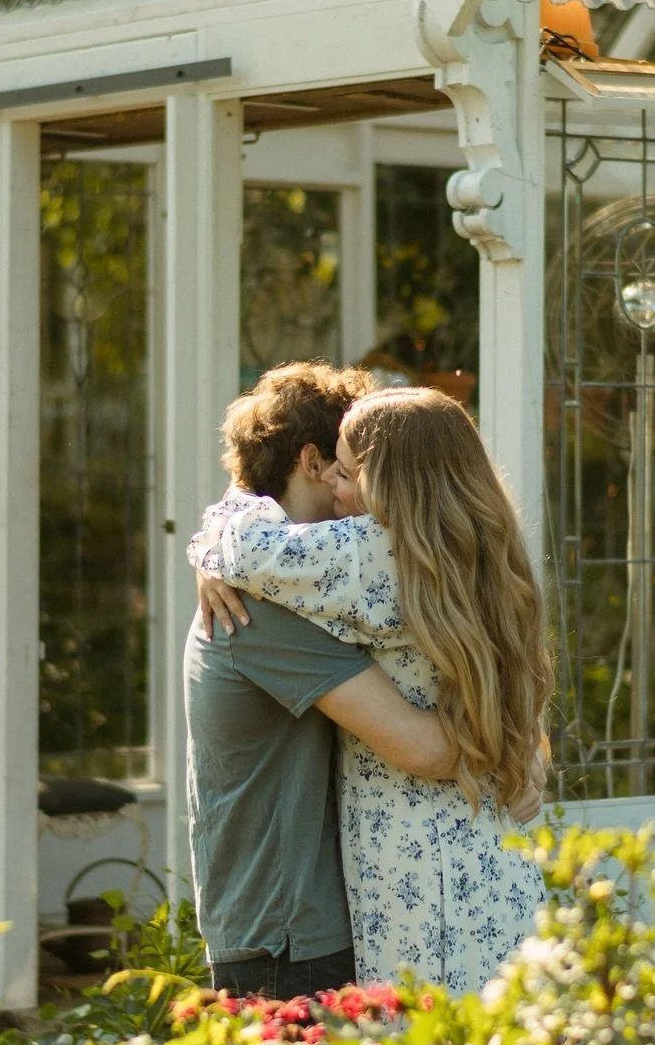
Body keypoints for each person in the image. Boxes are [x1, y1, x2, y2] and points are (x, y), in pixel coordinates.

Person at [192, 385, 551, 996]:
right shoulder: (485, 547)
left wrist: (216, 530)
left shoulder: (369, 556)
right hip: (498, 850)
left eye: (350, 472)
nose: (336, 486)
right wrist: (518, 751)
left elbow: (247, 552)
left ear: (392, 482)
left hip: (413, 857)